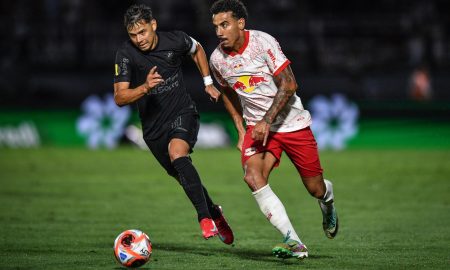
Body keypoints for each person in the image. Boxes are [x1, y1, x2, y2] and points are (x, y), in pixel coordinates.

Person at [209, 0, 338, 259]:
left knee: (314, 188)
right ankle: (294, 242)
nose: (220, 32)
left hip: (292, 124)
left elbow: (289, 84)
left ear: (240, 23)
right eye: (216, 27)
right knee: (253, 177)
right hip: (257, 129)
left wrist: (267, 120)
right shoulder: (217, 60)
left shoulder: (262, 42)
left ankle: (327, 199)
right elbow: (226, 92)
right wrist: (240, 129)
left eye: (225, 24)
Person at [113, 4, 234, 245]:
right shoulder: (125, 54)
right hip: (153, 128)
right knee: (184, 177)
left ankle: (203, 218)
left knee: (177, 154)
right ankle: (215, 213)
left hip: (183, 112)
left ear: (153, 25)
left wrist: (208, 81)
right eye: (133, 35)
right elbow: (119, 97)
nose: (139, 40)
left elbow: (197, 48)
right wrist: (145, 87)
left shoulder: (175, 40)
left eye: (143, 32)